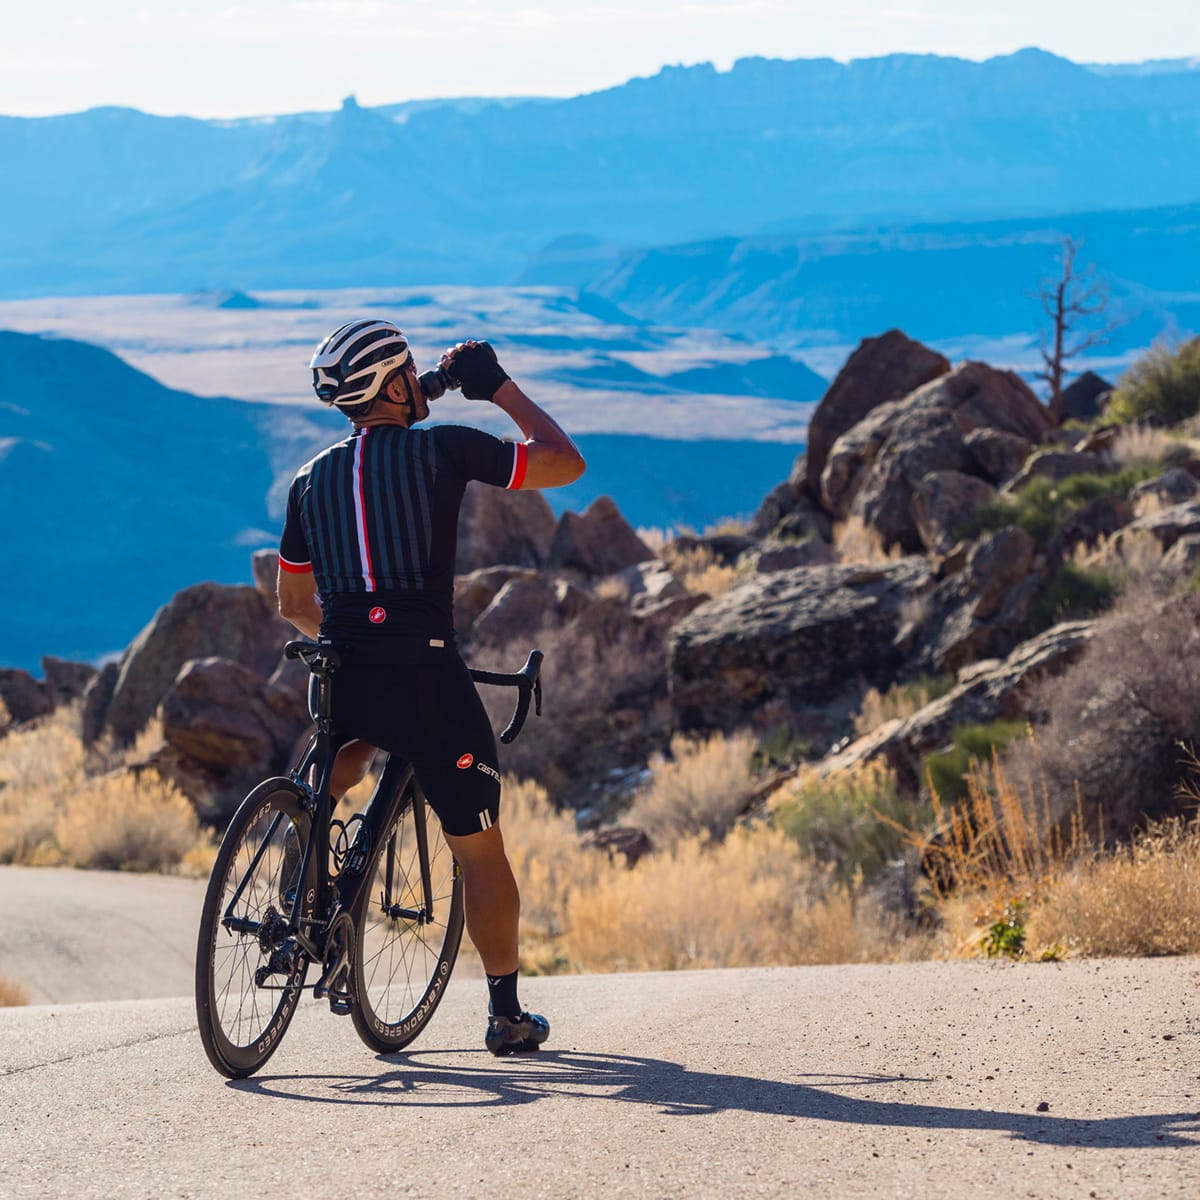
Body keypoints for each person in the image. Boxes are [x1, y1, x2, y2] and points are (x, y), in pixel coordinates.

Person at [275, 319, 585, 1055]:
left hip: (344, 668)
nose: (422, 383)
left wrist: (352, 626)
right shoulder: (442, 448)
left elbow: (292, 604)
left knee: (338, 764)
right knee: (479, 848)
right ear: (392, 384)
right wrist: (495, 386)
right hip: (426, 675)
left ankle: (304, 897)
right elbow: (564, 464)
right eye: (411, 373)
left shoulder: (308, 480)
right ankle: (506, 1015)